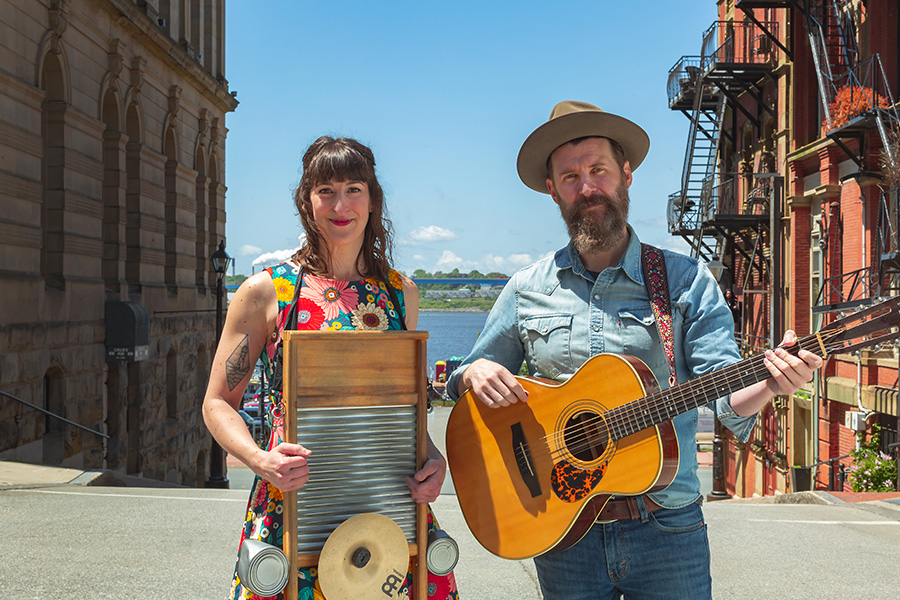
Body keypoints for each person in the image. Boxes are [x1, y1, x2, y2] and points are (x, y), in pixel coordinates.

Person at [446, 101, 822, 600]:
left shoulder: (686, 282)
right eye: (570, 177)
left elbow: (725, 398)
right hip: (560, 530)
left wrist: (773, 382)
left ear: (625, 176)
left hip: (667, 528)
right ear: (552, 191)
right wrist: (474, 374)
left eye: (598, 170)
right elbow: (468, 372)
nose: (586, 187)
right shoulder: (525, 289)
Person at [203, 136, 459, 600]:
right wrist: (262, 462)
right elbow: (218, 403)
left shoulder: (403, 295)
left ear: (373, 199)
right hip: (294, 505)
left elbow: (403, 412)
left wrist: (433, 458)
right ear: (306, 201)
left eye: (353, 189)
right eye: (326, 190)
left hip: (390, 517)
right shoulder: (267, 292)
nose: (340, 205)